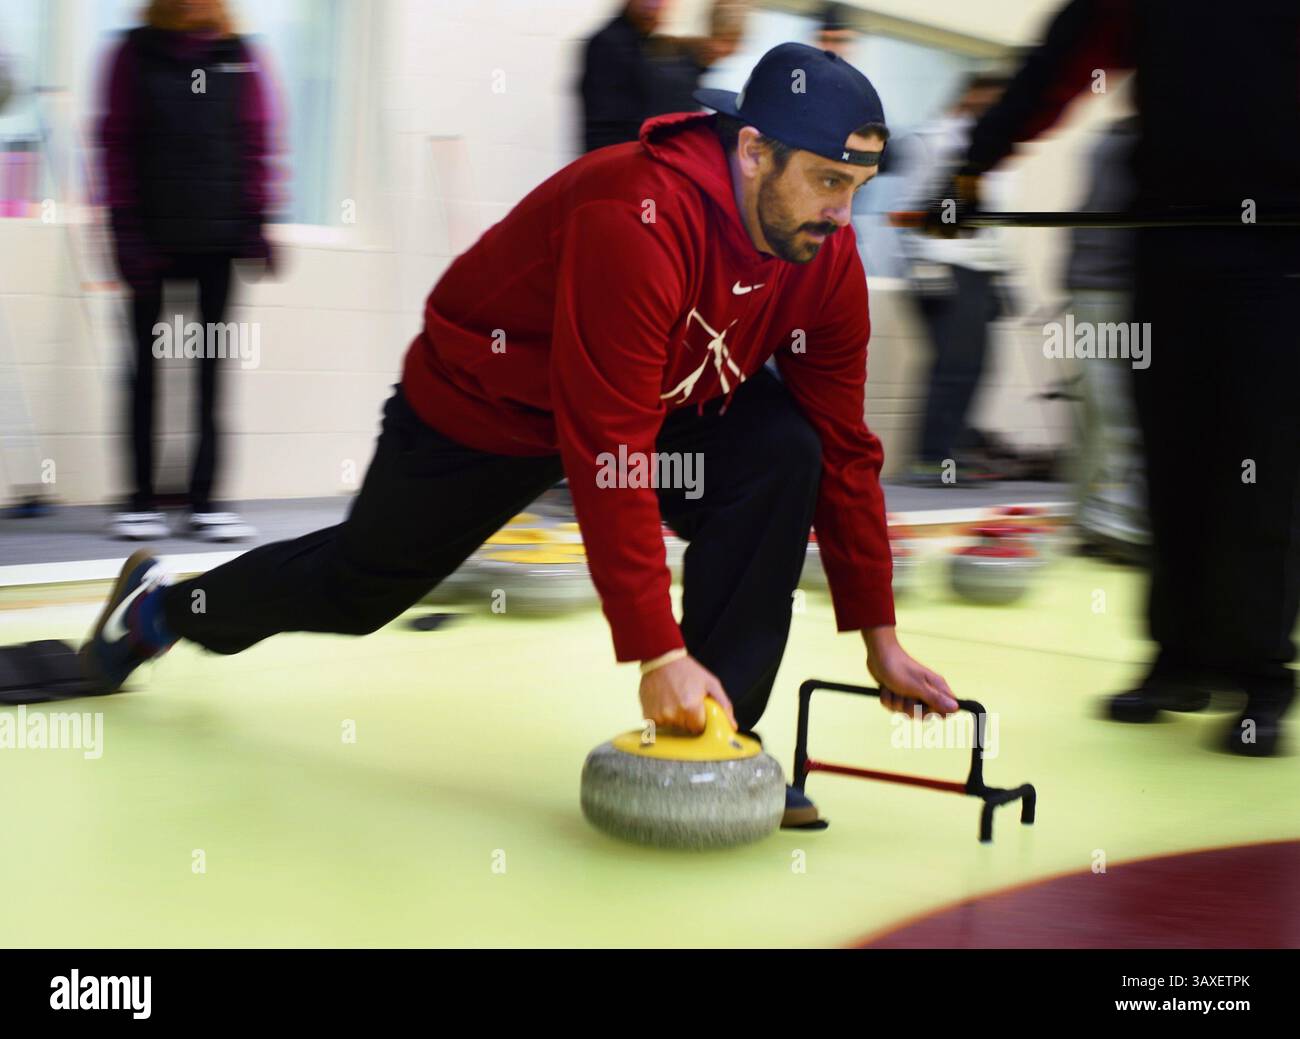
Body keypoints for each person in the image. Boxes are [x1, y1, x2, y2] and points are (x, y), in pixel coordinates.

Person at [80, 43, 959, 828]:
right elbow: (609, 442)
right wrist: (656, 648)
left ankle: (724, 740)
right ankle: (162, 605)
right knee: (359, 587)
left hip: (668, 398)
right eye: (828, 182)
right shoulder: (639, 213)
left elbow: (848, 447)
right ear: (754, 150)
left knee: (785, 452)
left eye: (858, 189)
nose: (844, 214)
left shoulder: (824, 259)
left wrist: (877, 633)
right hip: (486, 403)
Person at [948, 0, 1300, 755]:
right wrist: (977, 162)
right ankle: (1183, 658)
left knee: (1256, 470)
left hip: (1279, 251)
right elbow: (1067, 56)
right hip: (1170, 243)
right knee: (1174, 464)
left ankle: (1260, 676)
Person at [98, 0, 279, 542]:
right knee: (145, 373)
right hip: (151, 236)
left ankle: (207, 503)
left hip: (219, 240)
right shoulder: (133, 53)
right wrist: (124, 231)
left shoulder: (239, 55)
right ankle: (140, 501)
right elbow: (115, 143)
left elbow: (258, 142)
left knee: (211, 371)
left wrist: (257, 221)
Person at [898, 73, 1013, 485]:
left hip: (981, 268)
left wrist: (1003, 276)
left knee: (978, 366)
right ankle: (932, 457)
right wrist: (921, 266)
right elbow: (908, 208)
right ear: (974, 95)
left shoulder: (998, 150)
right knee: (953, 365)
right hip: (944, 261)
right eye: (996, 98)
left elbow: (994, 219)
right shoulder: (935, 140)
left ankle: (953, 449)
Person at [1066, 115, 1148, 560]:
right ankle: (1111, 520)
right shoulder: (1134, 144)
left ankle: (1092, 519)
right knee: (1114, 410)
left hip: (1100, 284)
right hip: (1112, 286)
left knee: (1102, 412)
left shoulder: (1110, 138)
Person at [578, 0, 670, 153]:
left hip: (631, 155)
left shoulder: (642, 43)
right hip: (618, 157)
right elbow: (603, 122)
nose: (653, 8)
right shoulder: (608, 42)